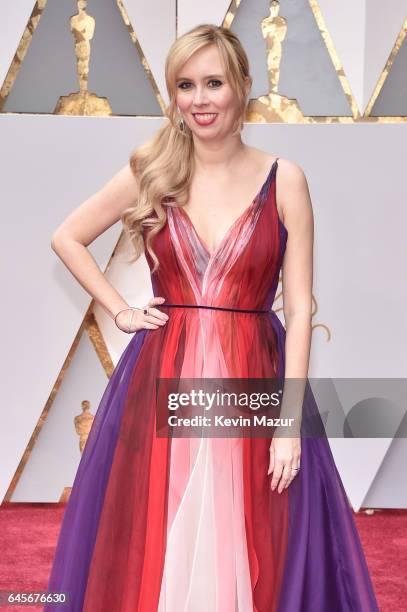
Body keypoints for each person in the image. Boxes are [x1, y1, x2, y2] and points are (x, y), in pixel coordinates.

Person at [45, 24, 379, 612]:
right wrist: (120, 310)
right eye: (185, 85)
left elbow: (299, 310)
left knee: (249, 525)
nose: (200, 99)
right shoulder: (153, 172)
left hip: (254, 377)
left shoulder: (285, 180)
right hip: (163, 374)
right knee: (167, 525)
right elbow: (67, 237)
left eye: (214, 83)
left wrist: (288, 423)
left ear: (243, 87)